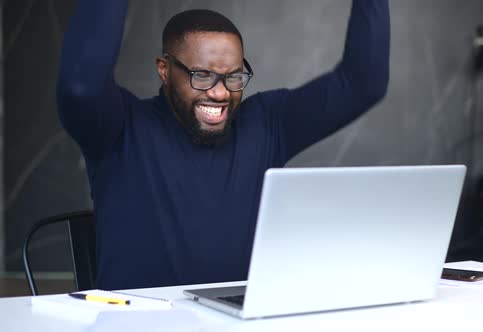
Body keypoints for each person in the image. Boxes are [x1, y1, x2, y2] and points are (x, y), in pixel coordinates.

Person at [57, 0, 390, 290]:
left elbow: (363, 83)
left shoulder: (266, 123)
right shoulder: (119, 127)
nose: (219, 93)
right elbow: (80, 87)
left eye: (233, 77)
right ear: (164, 69)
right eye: (201, 75)